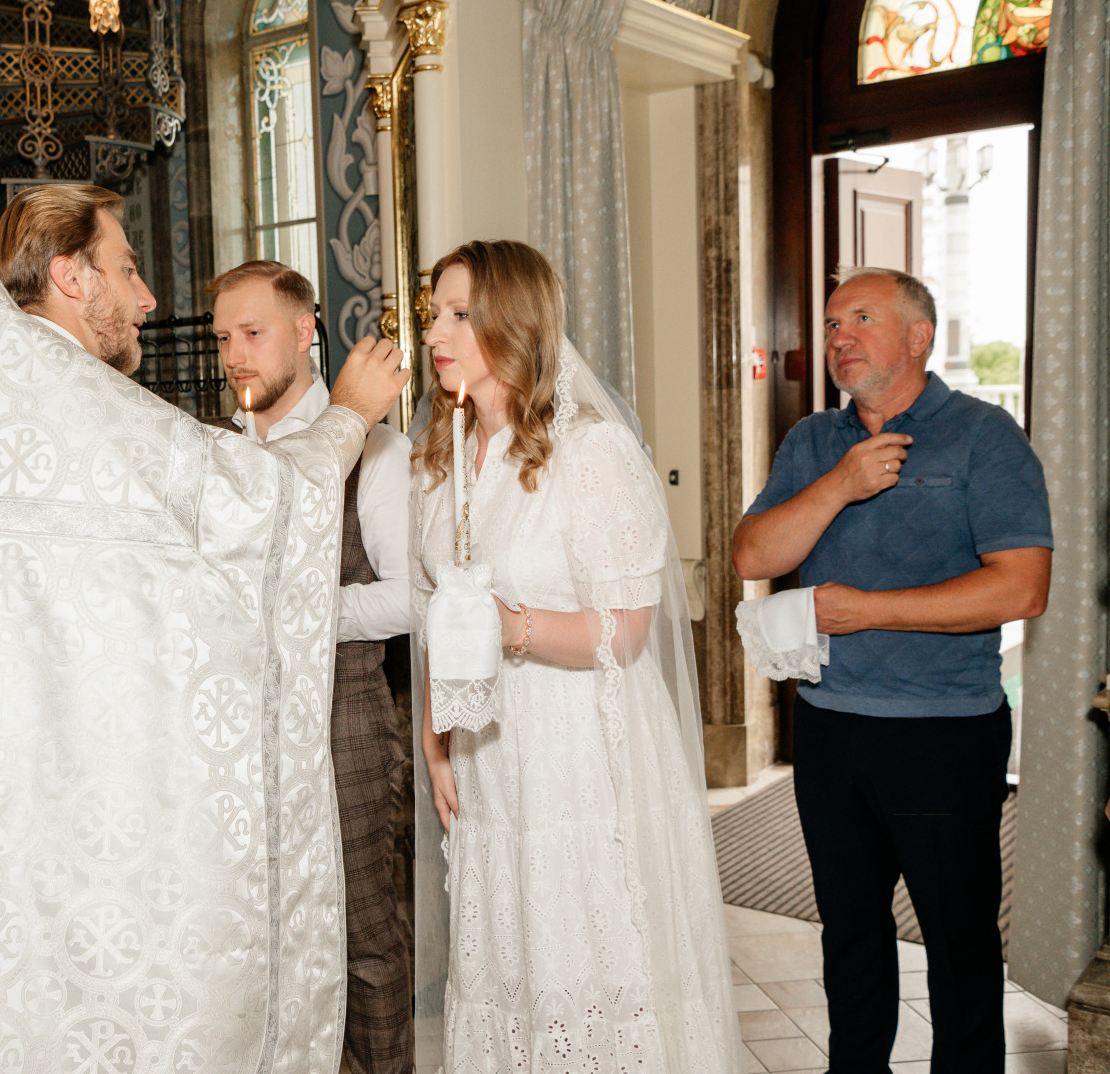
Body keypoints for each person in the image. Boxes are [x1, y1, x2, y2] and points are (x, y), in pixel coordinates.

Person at [0, 183, 410, 1074]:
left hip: (11, 810)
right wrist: (348, 414)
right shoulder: (69, 395)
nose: (149, 296)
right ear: (72, 278)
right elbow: (252, 509)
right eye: (126, 267)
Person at [413, 240, 736, 1072]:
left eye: (457, 314)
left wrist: (510, 629)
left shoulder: (587, 452)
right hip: (488, 744)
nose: (435, 332)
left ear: (512, 324)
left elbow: (624, 631)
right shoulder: (443, 452)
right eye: (433, 313)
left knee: (582, 949)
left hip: (576, 745)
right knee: (509, 955)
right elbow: (438, 608)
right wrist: (434, 731)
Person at [733, 266, 1051, 1073]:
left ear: (918, 337)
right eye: (834, 321)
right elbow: (753, 554)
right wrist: (839, 485)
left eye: (861, 319)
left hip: (944, 734)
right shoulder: (812, 442)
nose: (839, 336)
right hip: (832, 730)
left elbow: (1021, 586)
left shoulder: (984, 435)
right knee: (849, 934)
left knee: (958, 943)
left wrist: (869, 609)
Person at [207, 260, 414, 1074]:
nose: (233, 354)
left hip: (347, 719)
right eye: (223, 336)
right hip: (232, 734)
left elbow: (409, 600)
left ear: (304, 332)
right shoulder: (214, 449)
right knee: (259, 934)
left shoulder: (379, 447)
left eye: (252, 333)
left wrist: (293, 616)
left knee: (362, 933)